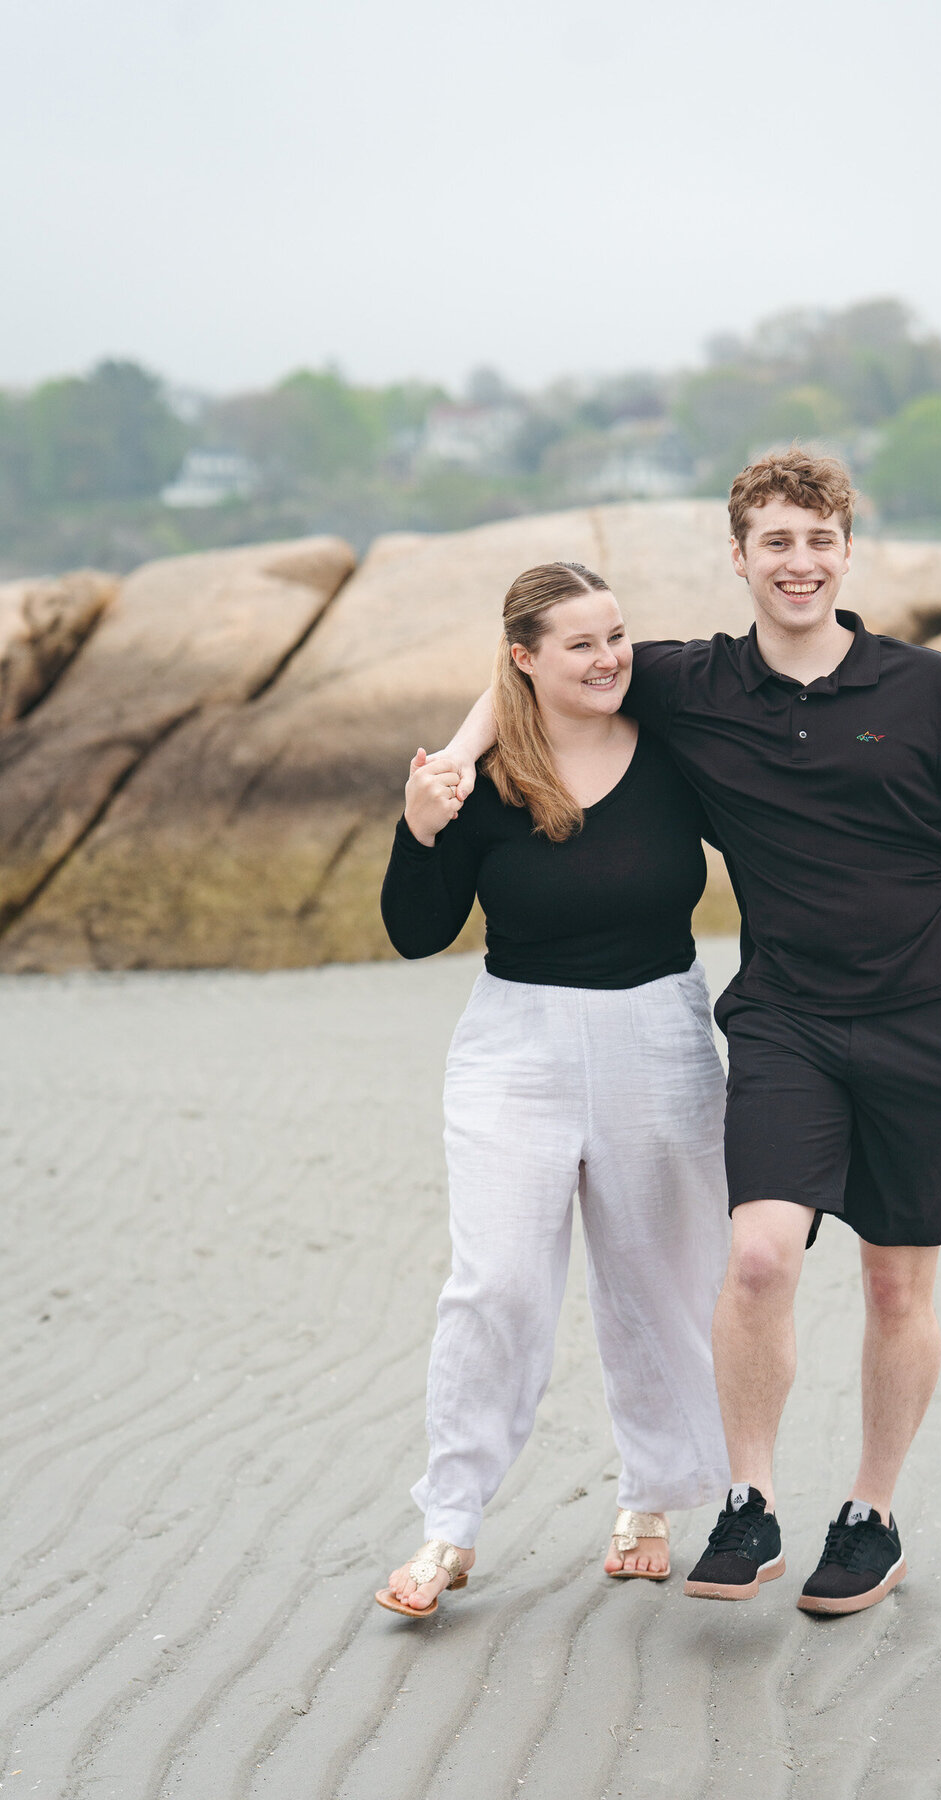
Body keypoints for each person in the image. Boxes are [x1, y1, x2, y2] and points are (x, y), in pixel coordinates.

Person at [439, 449, 941, 1618]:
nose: (799, 563)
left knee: (893, 1291)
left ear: (847, 552)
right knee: (759, 1255)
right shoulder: (691, 683)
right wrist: (459, 765)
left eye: (819, 542)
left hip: (933, 1019)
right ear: (741, 557)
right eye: (776, 542)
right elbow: (530, 678)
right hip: (786, 1019)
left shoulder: (929, 688)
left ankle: (869, 1516)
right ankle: (750, 1500)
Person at [374, 558, 733, 1617]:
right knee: (497, 1286)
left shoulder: (673, 755)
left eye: (617, 634)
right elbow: (413, 931)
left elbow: (788, 839)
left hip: (661, 1033)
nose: (610, 657)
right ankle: (448, 1528)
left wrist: (937, 862)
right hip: (513, 1046)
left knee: (663, 1280)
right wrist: (421, 818)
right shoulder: (477, 782)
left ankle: (655, 1498)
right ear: (524, 661)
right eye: (580, 644)